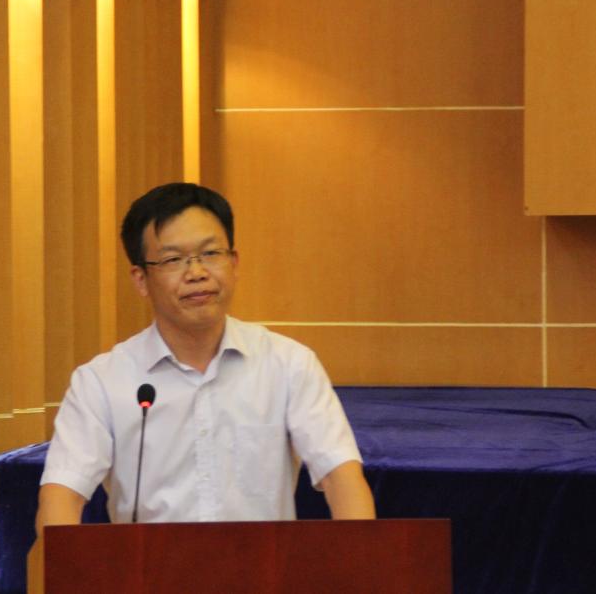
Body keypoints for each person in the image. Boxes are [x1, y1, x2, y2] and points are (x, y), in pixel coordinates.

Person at [29, 183, 374, 586]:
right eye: (173, 259)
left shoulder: (288, 364)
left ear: (234, 262)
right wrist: (67, 572)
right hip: (147, 582)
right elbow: (62, 495)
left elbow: (340, 476)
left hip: (264, 580)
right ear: (141, 279)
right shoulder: (102, 381)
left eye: (210, 254)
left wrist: (361, 567)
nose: (197, 273)